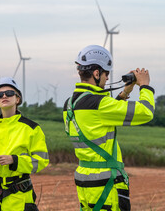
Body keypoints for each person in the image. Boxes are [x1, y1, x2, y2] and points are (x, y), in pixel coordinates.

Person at [63, 45, 155, 211]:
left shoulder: (69, 104)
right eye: (106, 74)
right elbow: (146, 112)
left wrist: (125, 93)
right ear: (97, 73)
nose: (106, 79)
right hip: (107, 184)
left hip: (85, 183)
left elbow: (101, 118)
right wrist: (145, 86)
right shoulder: (99, 104)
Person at [0, 77, 49, 211]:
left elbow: (42, 161)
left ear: (17, 99)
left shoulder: (31, 128)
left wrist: (14, 160)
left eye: (9, 93)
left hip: (19, 197)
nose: (4, 96)